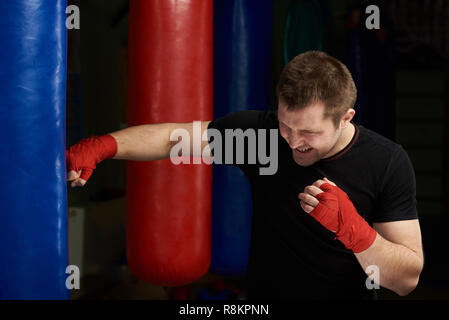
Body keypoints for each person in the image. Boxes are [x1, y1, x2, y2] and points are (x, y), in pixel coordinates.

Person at [66, 51, 423, 299]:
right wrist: (103, 146)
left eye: (309, 133)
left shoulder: (386, 163)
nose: (294, 142)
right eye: (287, 126)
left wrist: (355, 231)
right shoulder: (261, 140)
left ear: (346, 117)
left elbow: (406, 280)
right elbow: (170, 138)